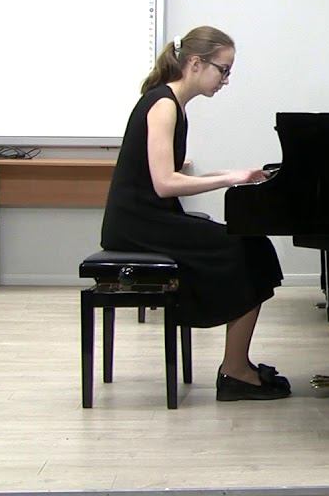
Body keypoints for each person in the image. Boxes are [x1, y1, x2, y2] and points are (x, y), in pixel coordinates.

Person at [100, 26, 290, 402]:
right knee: (249, 249)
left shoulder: (173, 103)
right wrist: (228, 179)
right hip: (137, 224)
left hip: (150, 218)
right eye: (223, 70)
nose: (226, 80)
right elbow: (164, 184)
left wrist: (234, 174)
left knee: (253, 247)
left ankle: (237, 365)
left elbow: (166, 180)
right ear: (196, 63)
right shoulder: (163, 104)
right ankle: (235, 371)